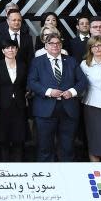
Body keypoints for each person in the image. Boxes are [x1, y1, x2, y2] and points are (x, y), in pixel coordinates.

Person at [28, 33, 86, 162]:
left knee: (68, 147)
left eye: (58, 43)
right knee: (45, 148)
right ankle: (47, 178)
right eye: (51, 43)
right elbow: (32, 82)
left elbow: (82, 81)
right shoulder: (37, 61)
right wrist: (49, 91)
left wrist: (71, 91)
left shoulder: (71, 60)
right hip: (45, 110)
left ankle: (66, 178)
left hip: (68, 109)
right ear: (46, 46)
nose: (55, 45)